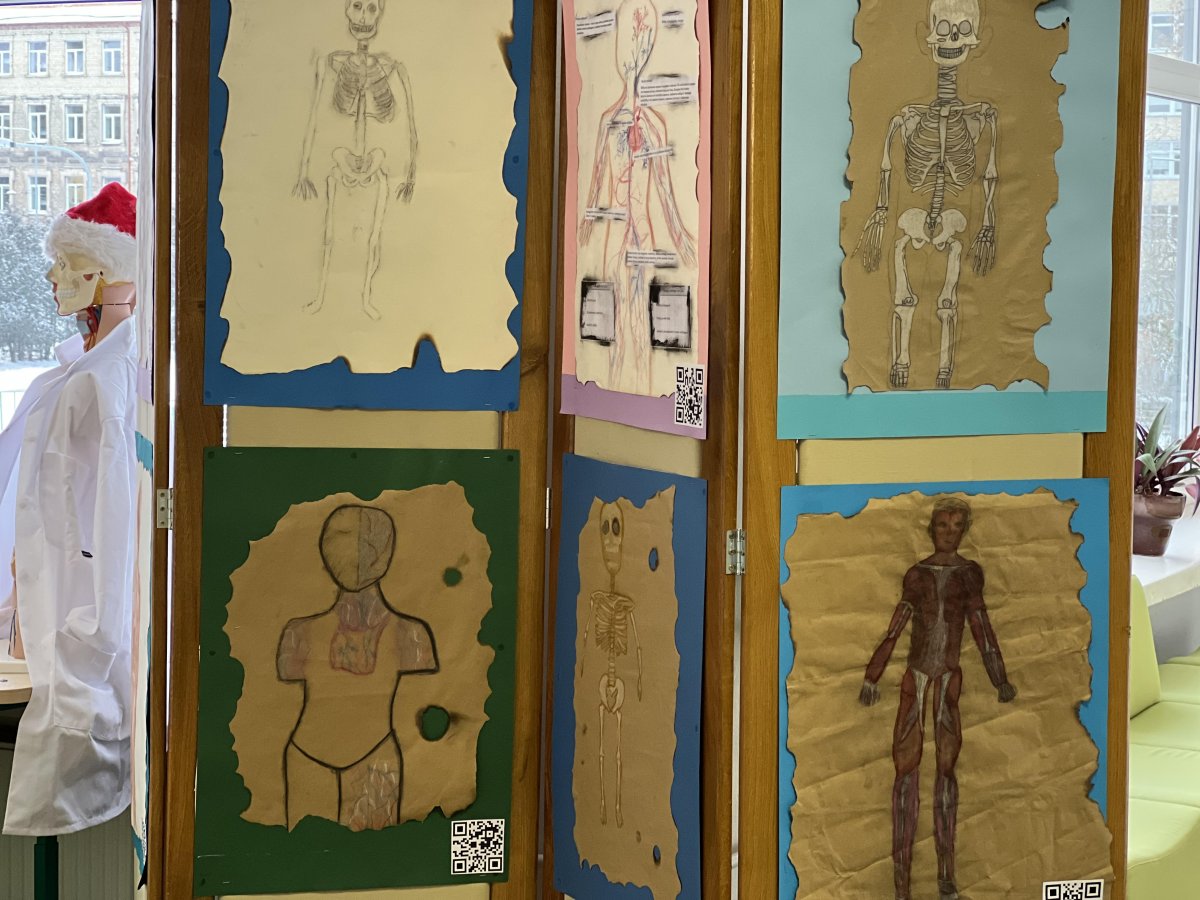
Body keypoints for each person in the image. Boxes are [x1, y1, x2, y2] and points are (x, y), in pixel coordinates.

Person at [0, 183, 139, 836]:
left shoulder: (107, 384)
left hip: (78, 638)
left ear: (110, 275)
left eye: (67, 262)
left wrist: (86, 654)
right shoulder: (72, 374)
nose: (52, 277)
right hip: (45, 622)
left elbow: (106, 532)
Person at [859, 497, 1017, 900]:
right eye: (943, 525)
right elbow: (897, 627)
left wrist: (999, 678)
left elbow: (981, 626)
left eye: (956, 525)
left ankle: (946, 877)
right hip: (915, 679)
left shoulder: (969, 575)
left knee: (946, 772)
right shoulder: (917, 575)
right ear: (932, 529)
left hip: (948, 680)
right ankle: (901, 886)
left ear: (964, 530)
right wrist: (873, 675)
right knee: (905, 774)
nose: (949, 532)